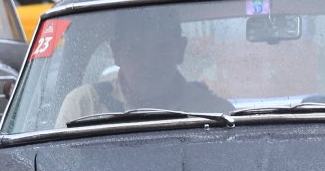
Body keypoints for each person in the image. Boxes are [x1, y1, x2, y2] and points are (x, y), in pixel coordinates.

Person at [57, 12, 229, 126]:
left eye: (162, 48)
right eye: (135, 50)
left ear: (180, 49)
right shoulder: (84, 106)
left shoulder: (215, 114)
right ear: (116, 52)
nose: (149, 63)